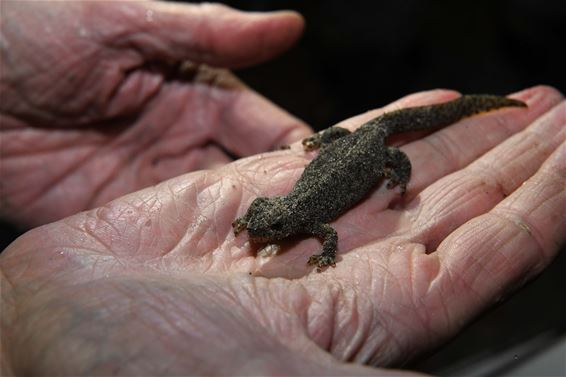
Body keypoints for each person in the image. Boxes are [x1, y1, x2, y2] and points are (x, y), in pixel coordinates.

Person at [0, 1, 564, 376]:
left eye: (265, 223)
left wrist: (392, 176)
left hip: (368, 146)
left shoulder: (309, 221)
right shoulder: (285, 214)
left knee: (395, 143)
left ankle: (483, 106)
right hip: (349, 144)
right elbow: (275, 213)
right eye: (262, 221)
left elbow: (326, 234)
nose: (261, 227)